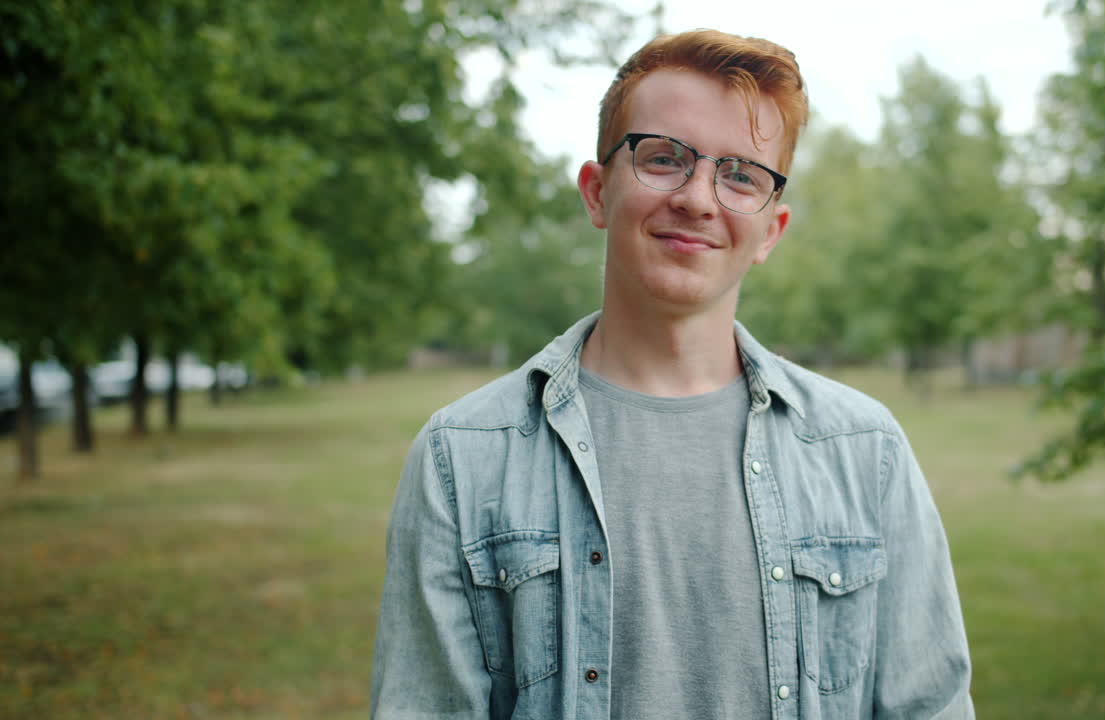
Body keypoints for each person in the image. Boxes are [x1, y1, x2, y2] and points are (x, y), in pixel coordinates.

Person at [370, 29, 974, 720]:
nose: (697, 198)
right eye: (663, 159)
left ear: (771, 231)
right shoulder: (464, 457)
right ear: (597, 193)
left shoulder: (865, 452)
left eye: (741, 173)